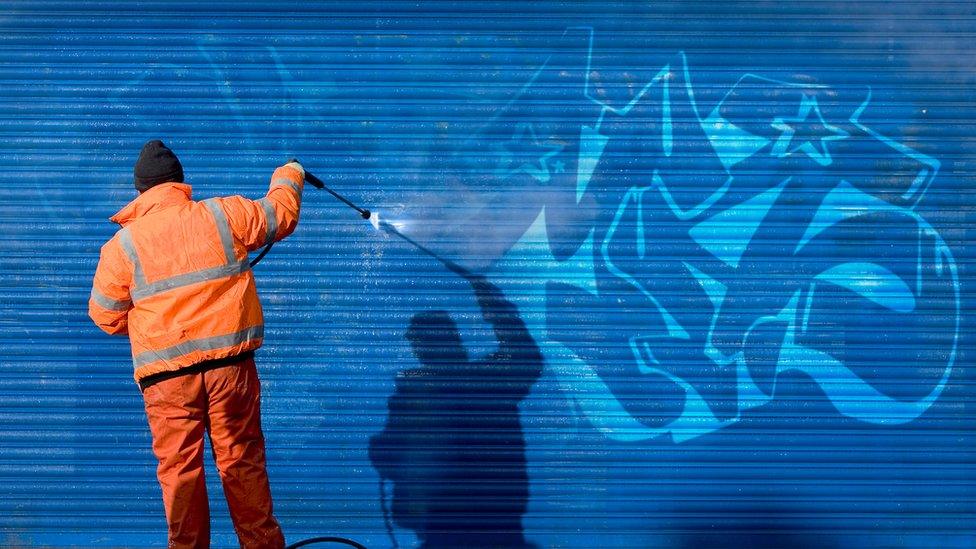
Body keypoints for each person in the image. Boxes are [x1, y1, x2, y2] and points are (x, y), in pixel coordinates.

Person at [88, 139, 303, 549]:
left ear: (140, 191)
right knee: (242, 463)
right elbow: (279, 216)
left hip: (167, 383)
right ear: (179, 183)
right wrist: (288, 174)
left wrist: (155, 322)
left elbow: (105, 316)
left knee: (180, 475)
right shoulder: (221, 214)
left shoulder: (123, 247)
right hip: (230, 371)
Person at [369, 274, 543, 549]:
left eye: (420, 341)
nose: (417, 349)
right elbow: (526, 357)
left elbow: (389, 456)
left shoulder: (429, 389)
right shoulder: (486, 379)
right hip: (485, 522)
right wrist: (497, 307)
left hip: (461, 525)